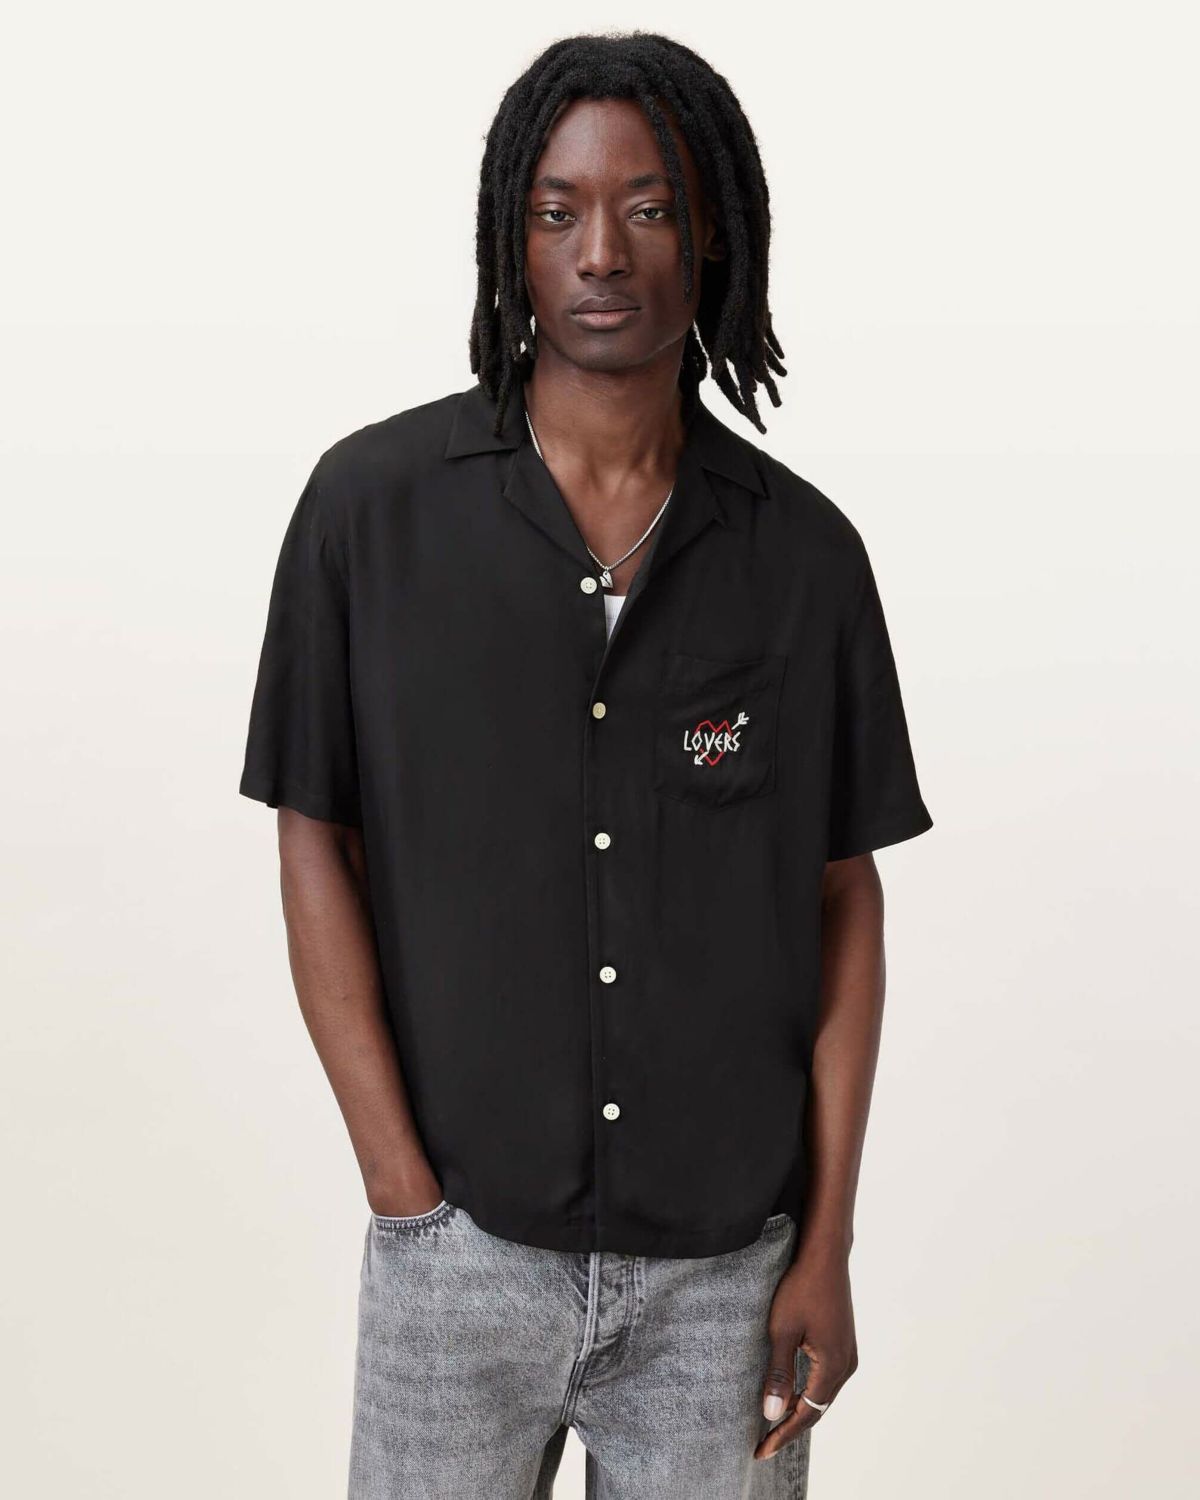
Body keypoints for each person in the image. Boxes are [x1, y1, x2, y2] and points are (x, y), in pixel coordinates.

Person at [238, 30, 932, 1500]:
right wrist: (402, 1193)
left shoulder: (805, 559)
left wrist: (826, 1243)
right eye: (557, 211)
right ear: (512, 237)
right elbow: (314, 836)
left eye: (648, 207)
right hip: (459, 1258)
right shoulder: (369, 513)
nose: (601, 252)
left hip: (724, 1284)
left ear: (711, 233)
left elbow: (843, 897)